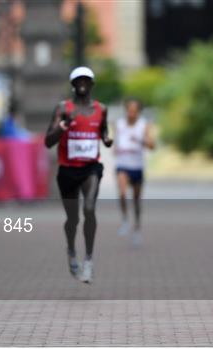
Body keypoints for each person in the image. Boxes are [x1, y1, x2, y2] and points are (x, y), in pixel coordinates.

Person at [44, 66, 113, 284]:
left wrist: (107, 140)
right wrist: (63, 126)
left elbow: (103, 133)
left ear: (91, 84)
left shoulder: (101, 109)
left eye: (86, 80)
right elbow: (48, 142)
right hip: (67, 170)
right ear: (73, 85)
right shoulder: (63, 108)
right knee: (72, 219)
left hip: (91, 168)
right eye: (78, 80)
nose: (82, 83)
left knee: (89, 209)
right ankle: (72, 250)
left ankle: (89, 260)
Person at [114, 98, 155, 246]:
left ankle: (137, 228)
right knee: (123, 193)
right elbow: (116, 142)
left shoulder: (144, 125)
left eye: (134, 111)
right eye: (129, 110)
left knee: (136, 201)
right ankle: (125, 219)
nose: (131, 114)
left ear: (139, 112)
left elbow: (152, 145)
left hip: (137, 166)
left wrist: (141, 140)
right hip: (122, 164)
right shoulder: (119, 124)